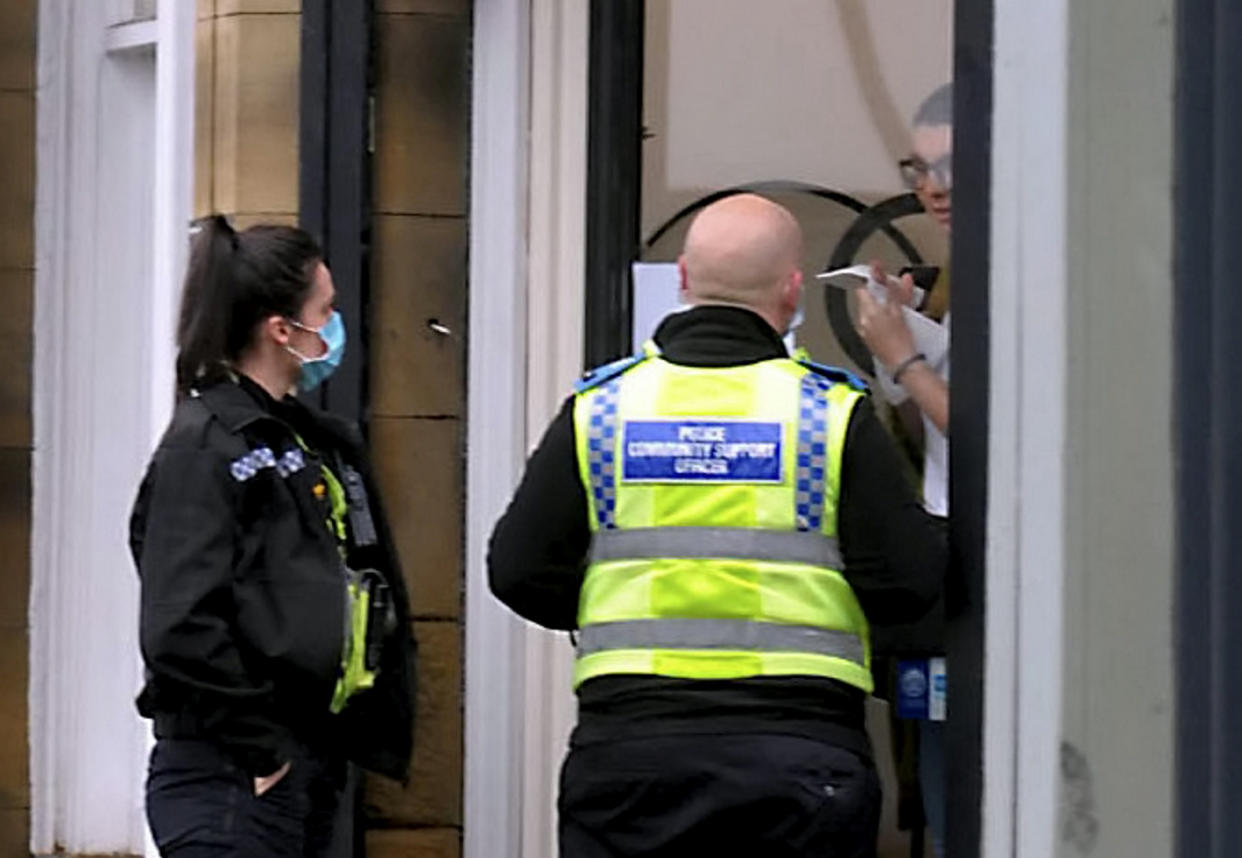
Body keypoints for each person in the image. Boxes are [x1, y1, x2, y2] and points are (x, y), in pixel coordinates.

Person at [489, 193, 948, 858]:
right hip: (800, 757)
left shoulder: (604, 408)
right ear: (792, 290)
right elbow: (910, 582)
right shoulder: (829, 416)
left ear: (681, 278)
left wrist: (613, 604)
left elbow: (518, 571)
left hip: (632, 755)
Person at [130, 216, 416, 856]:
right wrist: (262, 746)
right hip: (231, 777)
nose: (338, 328)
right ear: (281, 330)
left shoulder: (308, 441)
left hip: (304, 767)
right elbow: (180, 623)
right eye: (327, 310)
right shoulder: (207, 446)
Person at [856, 82, 954, 857]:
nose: (933, 187)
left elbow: (1001, 439)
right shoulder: (955, 274)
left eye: (952, 163)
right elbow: (933, 438)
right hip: (949, 558)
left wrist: (904, 356)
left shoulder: (1031, 267)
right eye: (918, 167)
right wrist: (901, 345)